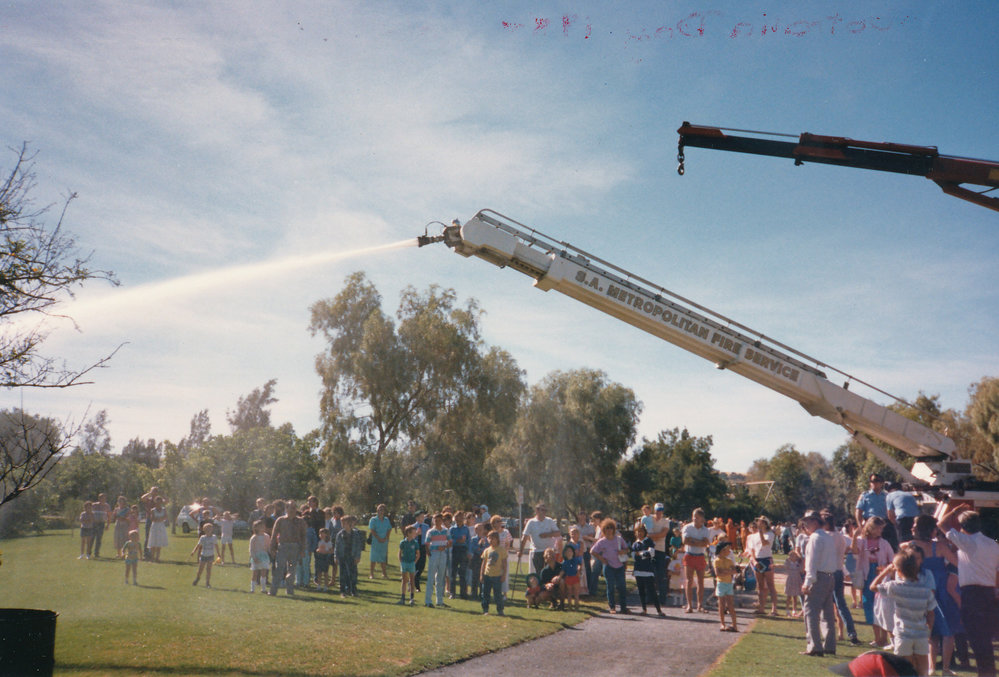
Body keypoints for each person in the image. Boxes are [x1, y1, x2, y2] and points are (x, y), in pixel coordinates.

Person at [939, 504, 999, 677]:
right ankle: (987, 672)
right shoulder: (993, 544)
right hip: (989, 592)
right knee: (984, 638)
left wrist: (955, 510)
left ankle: (986, 673)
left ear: (963, 527)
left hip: (973, 593)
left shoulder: (968, 542)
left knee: (976, 637)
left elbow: (942, 524)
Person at [907, 514, 961, 676]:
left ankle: (931, 668)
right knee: (948, 631)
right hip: (942, 590)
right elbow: (957, 563)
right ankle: (945, 668)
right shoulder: (940, 547)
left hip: (921, 589)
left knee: (931, 632)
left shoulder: (909, 546)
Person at [870, 551, 936, 677]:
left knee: (904, 671)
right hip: (921, 634)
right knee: (922, 671)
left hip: (903, 634)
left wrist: (885, 571)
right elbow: (931, 613)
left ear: (899, 571)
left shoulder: (895, 586)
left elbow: (873, 587)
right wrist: (929, 629)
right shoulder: (926, 591)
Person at [852, 515, 895, 648]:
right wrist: (855, 537)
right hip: (867, 575)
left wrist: (885, 569)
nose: (879, 531)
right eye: (877, 528)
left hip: (880, 575)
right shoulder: (862, 541)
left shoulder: (884, 543)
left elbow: (892, 559)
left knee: (882, 606)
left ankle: (884, 638)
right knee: (869, 606)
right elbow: (855, 552)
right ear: (870, 528)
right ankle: (877, 638)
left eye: (881, 529)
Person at [800, 511, 838, 657]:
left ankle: (814, 646)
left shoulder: (815, 538)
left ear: (815, 522)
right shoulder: (828, 537)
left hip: (818, 577)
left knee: (811, 612)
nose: (805, 525)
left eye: (807, 522)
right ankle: (829, 645)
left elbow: (812, 562)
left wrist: (807, 582)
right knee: (827, 613)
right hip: (830, 577)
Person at [823, 511, 860, 645]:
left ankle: (829, 635)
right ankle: (852, 633)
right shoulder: (840, 536)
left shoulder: (825, 536)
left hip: (828, 572)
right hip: (838, 571)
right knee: (841, 605)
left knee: (825, 604)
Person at [591, 518, 629, 614]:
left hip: (620, 566)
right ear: (603, 529)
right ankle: (612, 607)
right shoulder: (601, 541)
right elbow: (592, 551)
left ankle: (623, 607)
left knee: (622, 587)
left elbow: (627, 549)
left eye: (611, 528)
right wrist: (601, 559)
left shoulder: (619, 539)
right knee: (610, 587)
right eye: (607, 528)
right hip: (608, 567)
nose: (609, 530)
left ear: (614, 529)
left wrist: (623, 551)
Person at [269, 500, 307, 596]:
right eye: (291, 508)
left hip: (295, 548)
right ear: (286, 509)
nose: (293, 510)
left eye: (294, 508)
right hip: (283, 547)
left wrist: (303, 550)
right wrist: (272, 548)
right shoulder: (280, 520)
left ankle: (290, 590)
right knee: (279, 569)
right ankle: (273, 591)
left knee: (292, 570)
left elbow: (304, 537)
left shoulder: (300, 521)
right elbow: (274, 535)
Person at [746, 516, 779, 616]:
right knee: (760, 585)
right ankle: (761, 608)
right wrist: (754, 561)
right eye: (759, 522)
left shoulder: (770, 534)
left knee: (770, 585)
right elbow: (752, 550)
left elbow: (764, 543)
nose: (759, 524)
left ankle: (774, 609)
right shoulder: (753, 536)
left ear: (765, 524)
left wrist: (760, 532)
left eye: (762, 522)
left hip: (767, 559)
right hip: (758, 560)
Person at [856, 474, 898, 551]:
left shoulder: (887, 496)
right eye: (872, 481)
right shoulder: (865, 495)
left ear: (881, 483)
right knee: (869, 547)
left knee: (889, 546)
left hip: (884, 524)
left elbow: (892, 511)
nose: (874, 483)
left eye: (876, 481)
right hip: (870, 523)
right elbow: (858, 511)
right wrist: (860, 526)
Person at [682, 507, 711, 613]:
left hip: (700, 556)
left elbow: (706, 543)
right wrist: (699, 542)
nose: (694, 518)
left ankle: (699, 605)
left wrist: (693, 541)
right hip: (689, 555)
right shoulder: (687, 527)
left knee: (700, 581)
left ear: (702, 519)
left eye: (697, 517)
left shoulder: (706, 530)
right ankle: (689, 605)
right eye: (693, 516)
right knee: (689, 581)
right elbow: (685, 541)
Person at [631, 524, 664, 617]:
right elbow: (633, 556)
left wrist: (640, 554)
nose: (639, 533)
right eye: (637, 531)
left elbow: (651, 553)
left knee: (652, 591)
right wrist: (643, 554)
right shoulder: (635, 544)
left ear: (645, 532)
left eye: (641, 531)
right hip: (638, 570)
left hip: (648, 570)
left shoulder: (649, 541)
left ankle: (659, 610)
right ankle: (644, 609)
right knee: (641, 591)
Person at [519, 503, 560, 575]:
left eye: (545, 510)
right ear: (537, 511)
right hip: (537, 552)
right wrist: (521, 551)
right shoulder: (531, 522)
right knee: (539, 574)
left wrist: (548, 535)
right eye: (542, 510)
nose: (544, 512)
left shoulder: (549, 521)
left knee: (551, 573)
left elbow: (558, 533)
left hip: (549, 552)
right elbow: (524, 537)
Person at [424, 512, 450, 608]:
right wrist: (430, 553)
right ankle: (428, 601)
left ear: (442, 521)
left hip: (443, 554)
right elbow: (426, 544)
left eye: (439, 520)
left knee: (440, 577)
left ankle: (439, 600)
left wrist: (444, 547)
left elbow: (450, 542)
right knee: (431, 577)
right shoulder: (430, 531)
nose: (437, 522)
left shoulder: (446, 531)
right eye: (435, 520)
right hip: (434, 554)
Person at [335, 515, 364, 597]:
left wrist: (358, 556)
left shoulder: (355, 534)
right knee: (343, 575)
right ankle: (343, 591)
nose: (343, 525)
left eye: (344, 523)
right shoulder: (340, 534)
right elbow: (337, 546)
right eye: (342, 523)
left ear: (349, 523)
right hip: (342, 556)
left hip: (352, 556)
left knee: (353, 574)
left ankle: (353, 590)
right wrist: (336, 557)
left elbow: (358, 546)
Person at [714, 540, 739, 631]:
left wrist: (725, 571)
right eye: (727, 550)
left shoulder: (729, 561)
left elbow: (735, 571)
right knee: (721, 605)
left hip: (729, 584)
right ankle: (722, 624)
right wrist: (729, 571)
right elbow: (718, 573)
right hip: (721, 584)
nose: (729, 551)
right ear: (722, 550)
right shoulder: (717, 561)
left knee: (730, 605)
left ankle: (734, 625)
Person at [480, 530, 506, 616]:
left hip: (497, 576)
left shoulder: (501, 550)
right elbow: (483, 563)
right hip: (487, 575)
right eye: (489, 538)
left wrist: (504, 575)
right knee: (485, 594)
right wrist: (481, 574)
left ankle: (500, 610)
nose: (491, 540)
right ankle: (485, 609)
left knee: (497, 594)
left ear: (497, 539)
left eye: (493, 538)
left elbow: (504, 564)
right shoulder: (487, 550)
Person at [448, 510, 469, 599]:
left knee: (463, 573)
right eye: (457, 518)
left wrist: (469, 552)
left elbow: (468, 540)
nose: (459, 520)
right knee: (453, 573)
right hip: (455, 549)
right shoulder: (452, 529)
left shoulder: (466, 529)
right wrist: (457, 541)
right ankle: (452, 593)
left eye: (460, 518)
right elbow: (449, 540)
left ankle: (463, 593)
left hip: (463, 550)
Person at [191, 522, 220, 587]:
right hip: (203, 555)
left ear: (212, 530)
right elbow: (198, 545)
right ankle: (197, 578)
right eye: (207, 529)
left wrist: (219, 554)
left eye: (210, 529)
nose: (208, 531)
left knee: (208, 570)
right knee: (200, 569)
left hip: (210, 556)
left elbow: (216, 546)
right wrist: (193, 551)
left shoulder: (214, 537)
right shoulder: (202, 538)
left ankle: (207, 583)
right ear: (204, 530)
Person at [368, 503, 392, 580]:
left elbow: (389, 529)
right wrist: (378, 538)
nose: (381, 511)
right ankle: (371, 574)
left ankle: (384, 574)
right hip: (376, 541)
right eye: (379, 509)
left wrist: (386, 538)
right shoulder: (373, 520)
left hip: (384, 541)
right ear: (377, 510)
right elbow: (372, 530)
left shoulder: (386, 520)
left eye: (382, 510)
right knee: (373, 558)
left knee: (383, 558)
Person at [398, 525, 419, 605]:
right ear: (408, 533)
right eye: (414, 532)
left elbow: (418, 554)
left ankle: (411, 598)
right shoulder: (403, 542)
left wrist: (414, 562)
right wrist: (401, 561)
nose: (415, 534)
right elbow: (400, 553)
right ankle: (403, 598)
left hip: (411, 563)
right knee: (404, 580)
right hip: (404, 562)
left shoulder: (415, 543)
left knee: (412, 580)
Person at [249, 519, 271, 592]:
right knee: (255, 573)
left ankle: (263, 588)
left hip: (264, 556)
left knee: (264, 573)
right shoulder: (254, 538)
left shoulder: (267, 536)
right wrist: (253, 557)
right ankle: (252, 589)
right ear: (256, 528)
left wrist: (271, 553)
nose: (262, 528)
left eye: (263, 526)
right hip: (256, 556)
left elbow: (268, 546)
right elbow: (251, 549)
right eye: (260, 526)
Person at [147, 496, 169, 563]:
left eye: (159, 502)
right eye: (157, 502)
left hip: (161, 526)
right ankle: (152, 558)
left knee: (159, 543)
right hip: (155, 527)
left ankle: (157, 558)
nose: (158, 504)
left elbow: (165, 517)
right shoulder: (153, 510)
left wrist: (160, 519)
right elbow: (152, 519)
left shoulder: (164, 509)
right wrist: (160, 519)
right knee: (153, 542)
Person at [784, 550, 804, 616]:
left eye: (794, 556)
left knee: (795, 596)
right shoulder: (788, 563)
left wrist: (801, 561)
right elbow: (785, 566)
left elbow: (801, 570)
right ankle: (787, 610)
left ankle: (794, 610)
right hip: (790, 580)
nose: (792, 557)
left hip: (797, 580)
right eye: (791, 556)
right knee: (789, 596)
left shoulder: (798, 563)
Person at [315, 527, 334, 592]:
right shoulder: (320, 542)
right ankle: (319, 585)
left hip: (325, 557)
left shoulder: (328, 542)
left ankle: (326, 586)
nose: (321, 535)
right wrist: (318, 550)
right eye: (320, 534)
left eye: (323, 533)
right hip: (320, 557)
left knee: (325, 573)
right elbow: (319, 548)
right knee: (319, 572)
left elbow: (331, 551)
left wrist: (326, 552)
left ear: (326, 534)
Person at [91, 493, 110, 558]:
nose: (103, 499)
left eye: (104, 498)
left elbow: (109, 516)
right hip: (94, 523)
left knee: (99, 539)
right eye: (101, 498)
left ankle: (96, 553)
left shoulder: (107, 506)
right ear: (99, 498)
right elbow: (90, 513)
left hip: (101, 523)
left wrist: (108, 524)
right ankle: (89, 552)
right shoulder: (94, 505)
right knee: (92, 538)